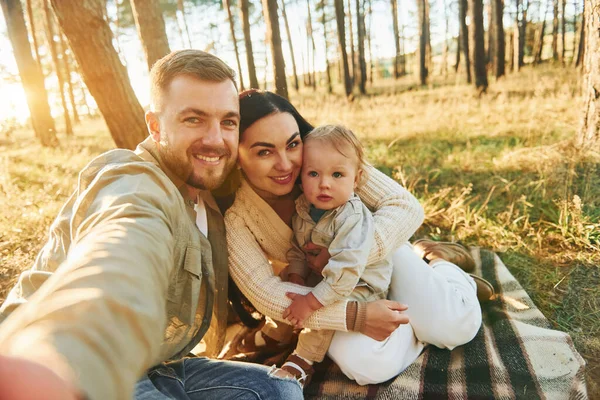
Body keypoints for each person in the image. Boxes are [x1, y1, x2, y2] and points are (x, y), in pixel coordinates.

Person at [0, 50, 304, 400]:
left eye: (228, 122)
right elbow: (120, 254)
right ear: (155, 125)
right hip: (76, 361)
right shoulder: (135, 182)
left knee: (278, 390)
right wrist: (63, 357)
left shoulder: (209, 192)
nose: (216, 139)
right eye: (194, 119)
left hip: (161, 362)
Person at [225, 89, 494, 387]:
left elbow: (405, 206)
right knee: (366, 366)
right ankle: (418, 313)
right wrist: (356, 315)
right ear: (236, 155)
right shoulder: (236, 218)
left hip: (381, 258)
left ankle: (444, 270)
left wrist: (345, 254)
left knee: (454, 328)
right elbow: (266, 293)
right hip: (333, 292)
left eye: (292, 144)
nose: (286, 163)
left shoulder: (325, 158)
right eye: (264, 151)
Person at [276, 124, 394, 386]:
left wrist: (310, 302)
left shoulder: (351, 216)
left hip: (361, 284)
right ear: (301, 176)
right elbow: (298, 246)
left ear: (356, 179)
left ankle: (303, 359)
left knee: (321, 307)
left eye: (337, 174)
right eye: (314, 173)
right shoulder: (304, 208)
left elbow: (344, 272)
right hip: (327, 278)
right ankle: (276, 335)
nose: (324, 184)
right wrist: (296, 272)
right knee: (291, 295)